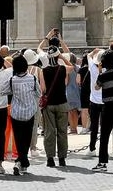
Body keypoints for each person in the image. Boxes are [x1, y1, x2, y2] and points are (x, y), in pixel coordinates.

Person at [38, 35, 70, 167]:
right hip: (62, 102)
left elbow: (43, 89)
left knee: (50, 132)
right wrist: (62, 57)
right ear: (57, 56)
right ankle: (62, 158)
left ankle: (50, 158)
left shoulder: (43, 71)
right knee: (62, 131)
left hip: (49, 104)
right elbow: (72, 66)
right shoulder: (62, 69)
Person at [7, 54, 40, 174]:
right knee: (27, 137)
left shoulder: (12, 80)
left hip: (16, 112)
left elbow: (4, 91)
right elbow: (39, 92)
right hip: (30, 111)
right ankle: (22, 161)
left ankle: (20, 161)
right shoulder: (33, 78)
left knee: (18, 137)